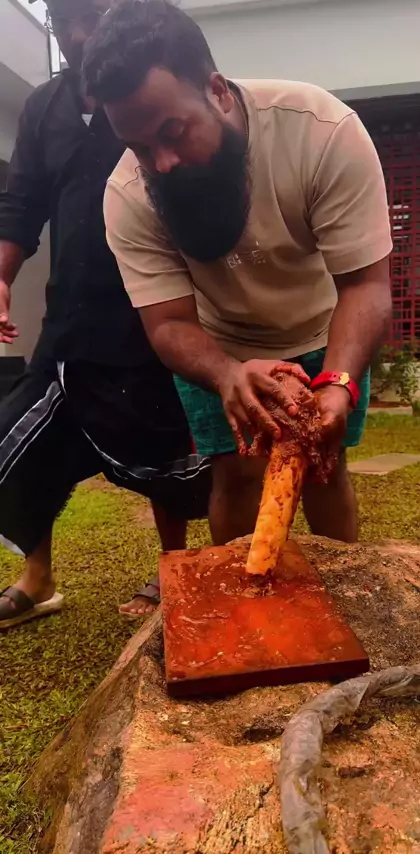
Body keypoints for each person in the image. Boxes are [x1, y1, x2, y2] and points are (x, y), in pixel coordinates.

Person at [83, 0, 393, 547]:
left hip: (327, 327)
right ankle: (242, 593)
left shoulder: (322, 132)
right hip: (219, 341)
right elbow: (168, 323)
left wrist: (339, 384)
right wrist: (228, 374)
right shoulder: (128, 195)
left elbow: (365, 285)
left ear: (217, 91)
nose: (161, 162)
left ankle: (342, 590)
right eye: (139, 146)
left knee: (325, 468)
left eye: (174, 132)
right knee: (235, 474)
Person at [0, 0, 210, 630]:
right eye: (61, 19)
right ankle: (37, 577)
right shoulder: (45, 107)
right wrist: (2, 277)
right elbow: (21, 203)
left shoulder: (154, 88)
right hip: (68, 316)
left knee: (163, 444)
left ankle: (173, 569)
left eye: (89, 15)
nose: (77, 34)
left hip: (154, 311)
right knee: (22, 439)